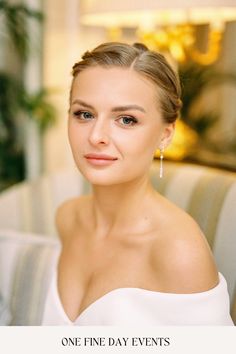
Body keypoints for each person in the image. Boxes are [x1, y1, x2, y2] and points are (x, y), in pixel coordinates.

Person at [42, 42, 233, 325]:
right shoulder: (67, 218)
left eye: (126, 120)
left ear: (165, 135)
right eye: (84, 114)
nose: (96, 135)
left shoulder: (179, 251)